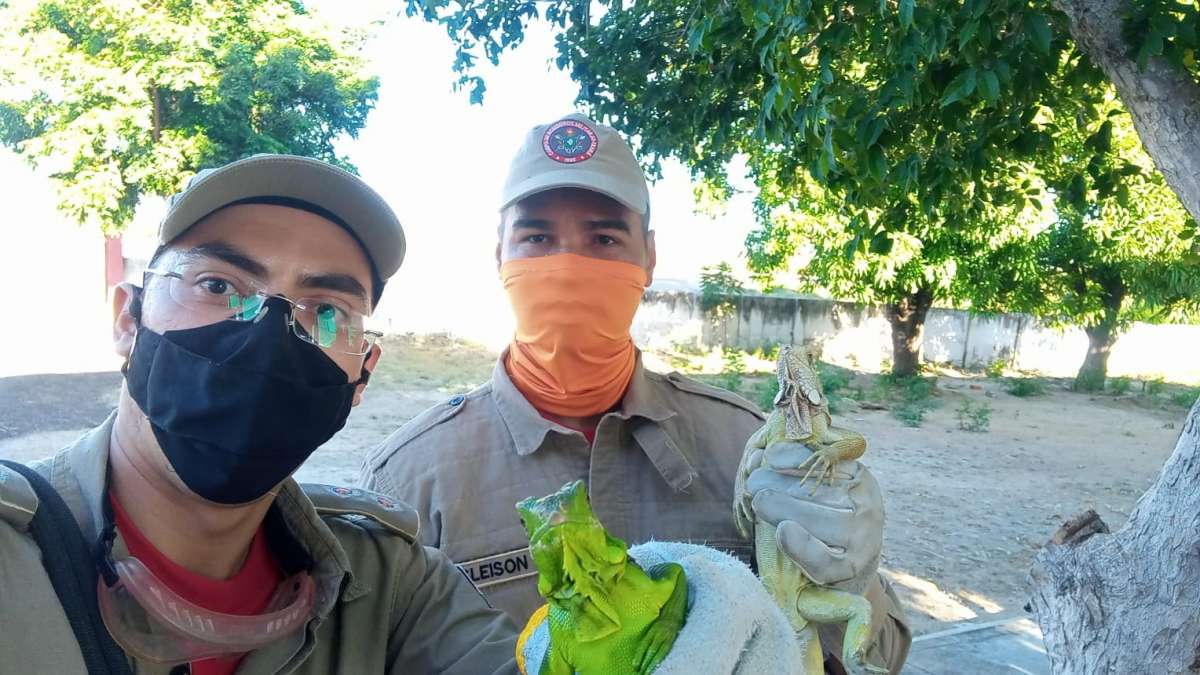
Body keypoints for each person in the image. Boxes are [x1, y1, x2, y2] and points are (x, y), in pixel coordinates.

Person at [360, 114, 912, 673]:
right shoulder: (409, 480)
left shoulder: (747, 447)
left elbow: (881, 657)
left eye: (603, 238)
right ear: (500, 256)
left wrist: (853, 579)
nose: (569, 265)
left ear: (648, 257)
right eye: (537, 238)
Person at [0, 154, 519, 674]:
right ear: (127, 319)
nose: (267, 336)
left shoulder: (391, 586)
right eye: (218, 286)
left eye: (327, 311)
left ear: (363, 373)